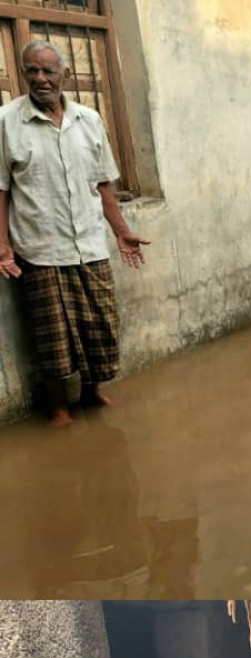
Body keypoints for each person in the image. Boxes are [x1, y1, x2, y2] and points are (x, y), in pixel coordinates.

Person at [0, 40, 149, 428]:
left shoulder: (89, 120)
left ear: (65, 75)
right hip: (40, 248)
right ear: (23, 74)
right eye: (31, 70)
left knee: (99, 325)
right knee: (53, 334)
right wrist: (3, 247)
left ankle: (92, 392)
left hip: (89, 244)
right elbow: (0, 190)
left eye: (48, 70)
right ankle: (59, 409)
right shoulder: (6, 121)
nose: (40, 78)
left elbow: (103, 185)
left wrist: (121, 232)